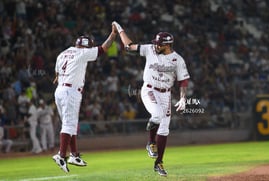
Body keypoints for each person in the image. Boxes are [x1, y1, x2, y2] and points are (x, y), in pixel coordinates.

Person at [112, 21, 190, 176]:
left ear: (167, 45)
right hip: (149, 89)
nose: (156, 45)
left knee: (165, 128)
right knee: (157, 115)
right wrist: (120, 30)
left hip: (166, 93)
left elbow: (183, 81)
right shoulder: (150, 49)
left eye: (159, 44)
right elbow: (129, 46)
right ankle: (151, 142)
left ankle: (158, 163)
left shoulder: (178, 60)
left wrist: (183, 98)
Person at [52, 24, 117, 173]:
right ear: (85, 47)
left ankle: (74, 155)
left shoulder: (62, 53)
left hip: (60, 90)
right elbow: (104, 48)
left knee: (70, 125)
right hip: (70, 91)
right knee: (69, 125)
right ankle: (61, 155)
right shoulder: (82, 53)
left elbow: (56, 76)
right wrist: (113, 34)